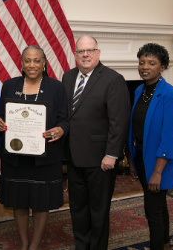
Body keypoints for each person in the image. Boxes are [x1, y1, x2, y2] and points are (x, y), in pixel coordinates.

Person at [0, 45, 69, 250]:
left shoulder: (57, 87)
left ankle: (34, 245)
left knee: (41, 202)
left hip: (45, 157)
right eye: (28, 60)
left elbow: (65, 120)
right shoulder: (9, 85)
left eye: (37, 60)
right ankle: (24, 242)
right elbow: (1, 114)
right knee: (19, 201)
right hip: (16, 157)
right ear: (21, 64)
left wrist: (61, 130)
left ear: (44, 63)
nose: (32, 65)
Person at [62, 35, 130, 249]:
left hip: (101, 159)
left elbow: (119, 121)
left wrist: (112, 154)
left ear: (98, 53)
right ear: (75, 55)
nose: (85, 55)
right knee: (78, 209)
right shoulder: (67, 77)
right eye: (81, 51)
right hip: (73, 158)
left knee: (98, 211)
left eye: (90, 50)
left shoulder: (113, 79)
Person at [128, 43, 173, 250]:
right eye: (142, 62)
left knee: (153, 209)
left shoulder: (170, 94)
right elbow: (136, 126)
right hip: (141, 156)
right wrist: (133, 159)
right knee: (158, 205)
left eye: (152, 63)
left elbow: (168, 137)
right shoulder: (139, 90)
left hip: (159, 161)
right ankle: (165, 244)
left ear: (162, 67)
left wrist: (157, 172)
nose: (145, 67)